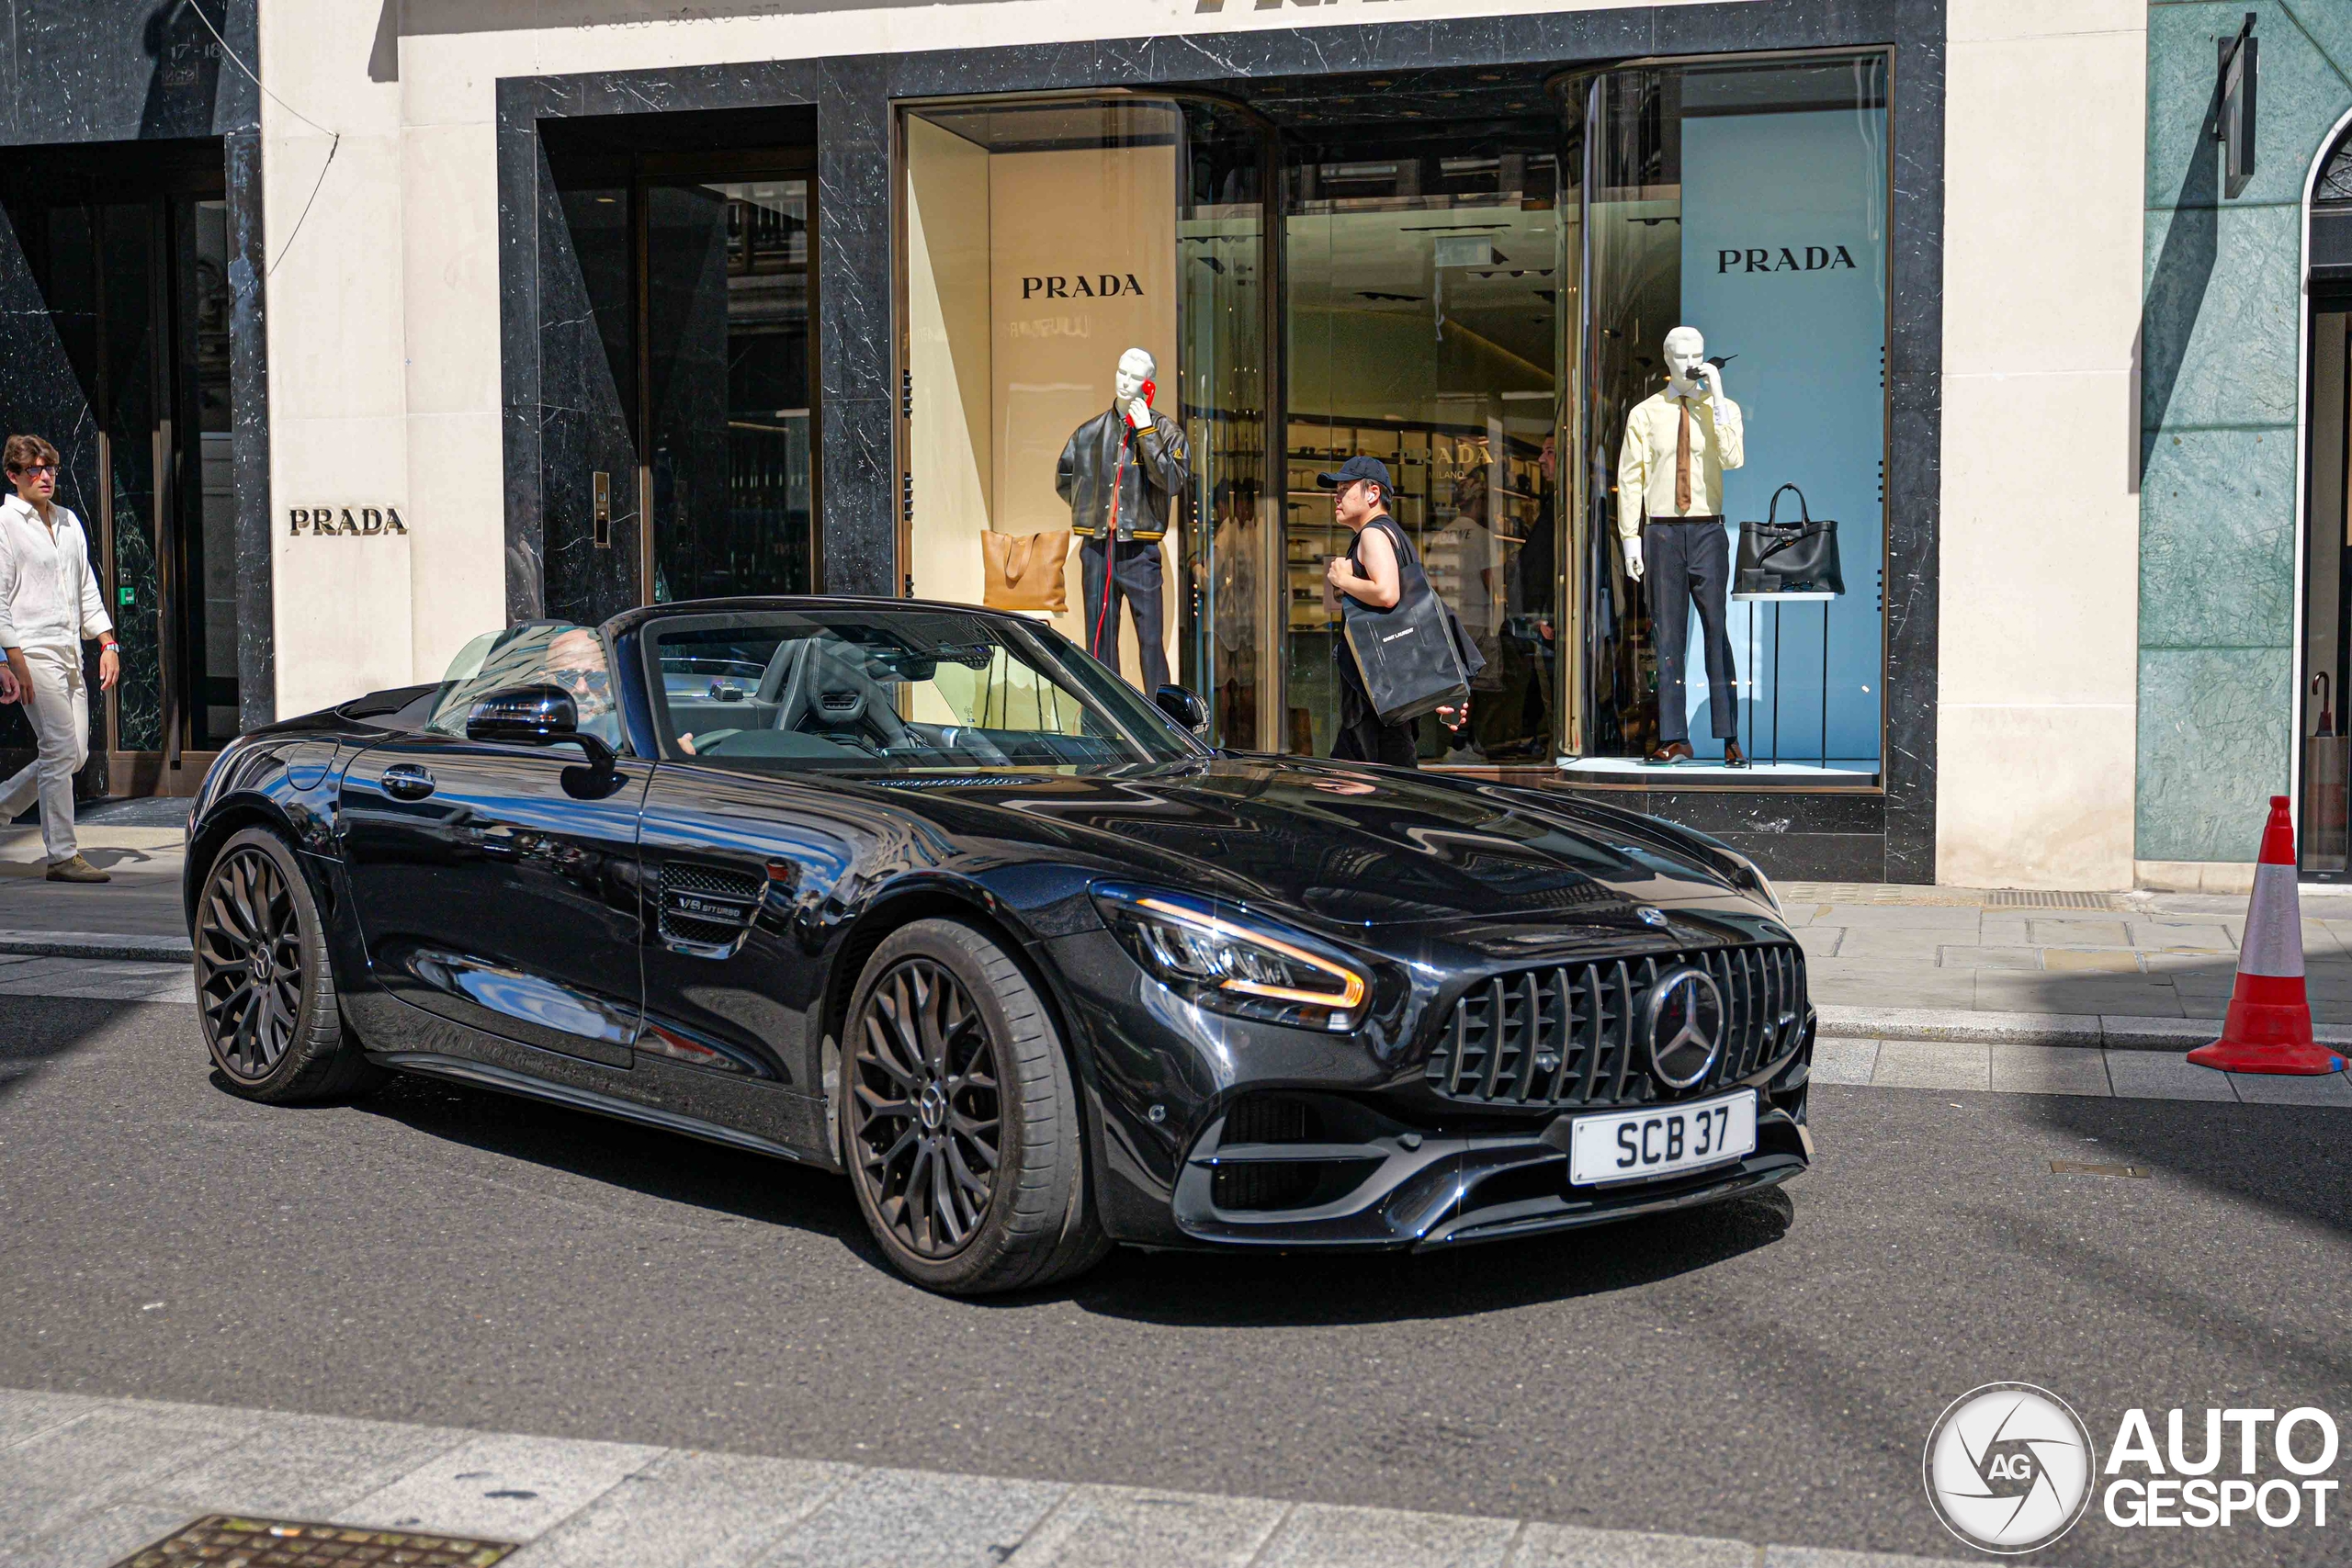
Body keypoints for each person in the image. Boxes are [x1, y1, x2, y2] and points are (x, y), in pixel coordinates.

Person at [0, 434, 119, 882]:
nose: (45, 475)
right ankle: (63, 856)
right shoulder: (6, 524)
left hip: (70, 652)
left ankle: (4, 804)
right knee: (57, 748)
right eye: (34, 469)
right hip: (31, 651)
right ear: (14, 476)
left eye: (49, 467)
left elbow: (86, 587)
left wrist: (107, 643)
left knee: (76, 755)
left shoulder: (68, 521)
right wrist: (12, 660)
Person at [1317, 455, 1463, 768]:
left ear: (1372, 494)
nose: (1337, 496)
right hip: (1383, 694)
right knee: (1367, 788)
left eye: (1345, 488)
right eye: (1337, 489)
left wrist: (1342, 579)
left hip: (1376, 699)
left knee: (1387, 793)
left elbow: (1386, 593)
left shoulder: (1372, 534)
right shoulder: (1392, 534)